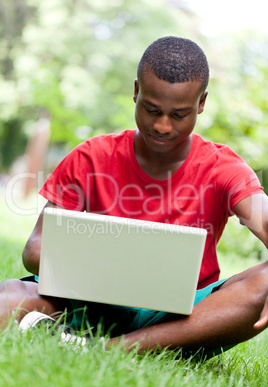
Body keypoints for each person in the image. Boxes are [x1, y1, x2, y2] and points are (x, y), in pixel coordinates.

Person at [2, 36, 268, 359]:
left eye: (179, 114)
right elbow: (35, 249)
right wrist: (108, 265)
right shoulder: (91, 157)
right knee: (8, 300)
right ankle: (111, 341)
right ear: (135, 92)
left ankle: (107, 349)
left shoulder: (224, 168)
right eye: (151, 109)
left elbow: (263, 216)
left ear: (201, 103)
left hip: (181, 318)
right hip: (91, 301)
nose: (162, 125)